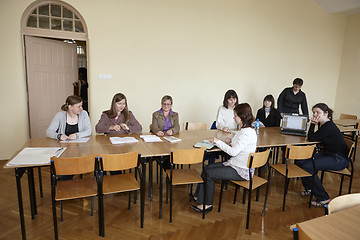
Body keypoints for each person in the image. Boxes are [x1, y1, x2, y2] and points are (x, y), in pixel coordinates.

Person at [191, 103, 257, 212]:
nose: (233, 117)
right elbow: (239, 144)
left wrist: (218, 142)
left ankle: (207, 204)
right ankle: (198, 196)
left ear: (242, 116)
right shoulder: (246, 130)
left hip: (241, 170)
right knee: (207, 167)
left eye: (235, 115)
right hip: (236, 164)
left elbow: (233, 152)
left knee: (210, 174)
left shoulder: (246, 133)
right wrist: (231, 141)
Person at [297, 103, 349, 207]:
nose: (315, 114)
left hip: (338, 159)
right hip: (328, 154)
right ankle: (310, 188)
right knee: (299, 160)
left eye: (318, 112)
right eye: (314, 112)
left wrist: (312, 123)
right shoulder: (324, 124)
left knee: (308, 167)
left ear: (326, 113)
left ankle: (323, 197)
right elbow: (313, 137)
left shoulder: (328, 126)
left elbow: (311, 138)